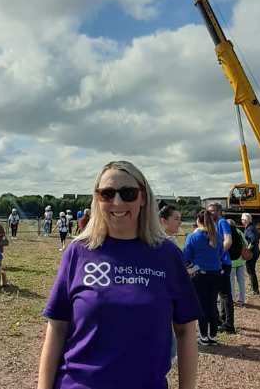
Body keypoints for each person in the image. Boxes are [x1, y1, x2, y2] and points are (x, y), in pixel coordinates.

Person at [38, 160, 200, 389]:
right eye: (107, 193)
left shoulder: (167, 255)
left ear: (143, 198)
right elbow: (57, 329)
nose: (117, 202)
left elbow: (185, 331)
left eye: (128, 193)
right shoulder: (78, 252)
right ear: (97, 199)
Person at [183, 210, 222, 345]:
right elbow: (221, 253)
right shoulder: (217, 236)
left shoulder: (192, 237)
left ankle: (204, 336)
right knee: (212, 304)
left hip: (200, 275)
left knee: (202, 305)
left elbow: (186, 257)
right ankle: (213, 335)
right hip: (216, 273)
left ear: (198, 221)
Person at [207, 202, 235, 333]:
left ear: (219, 212)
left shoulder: (222, 222)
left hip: (223, 262)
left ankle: (229, 325)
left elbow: (228, 241)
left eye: (213, 211)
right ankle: (222, 321)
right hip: (217, 263)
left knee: (225, 295)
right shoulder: (211, 224)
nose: (210, 213)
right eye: (208, 211)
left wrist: (217, 256)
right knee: (220, 294)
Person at [228, 219, 247, 305]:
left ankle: (232, 299)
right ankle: (242, 299)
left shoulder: (227, 233)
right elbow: (246, 243)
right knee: (241, 281)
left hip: (231, 262)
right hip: (241, 260)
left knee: (231, 281)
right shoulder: (239, 232)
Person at [241, 213, 260, 295]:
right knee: (251, 270)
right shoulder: (250, 227)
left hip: (252, 253)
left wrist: (247, 250)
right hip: (255, 252)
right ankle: (254, 288)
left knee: (251, 271)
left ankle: (255, 290)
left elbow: (253, 240)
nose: (241, 221)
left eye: (242, 219)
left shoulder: (250, 229)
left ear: (246, 220)